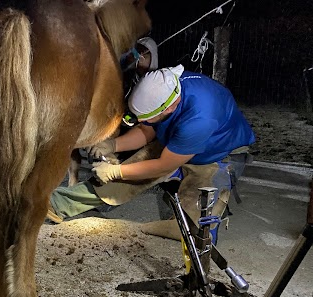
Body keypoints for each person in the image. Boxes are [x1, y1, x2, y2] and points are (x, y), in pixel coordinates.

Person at [47, 64, 256, 245]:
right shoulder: (166, 86)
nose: (142, 121)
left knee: (199, 230)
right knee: (121, 180)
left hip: (219, 154)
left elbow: (163, 165)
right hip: (179, 140)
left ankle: (188, 223)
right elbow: (148, 129)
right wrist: (113, 145)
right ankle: (54, 203)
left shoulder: (199, 119)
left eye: (148, 117)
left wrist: (116, 171)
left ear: (169, 107)